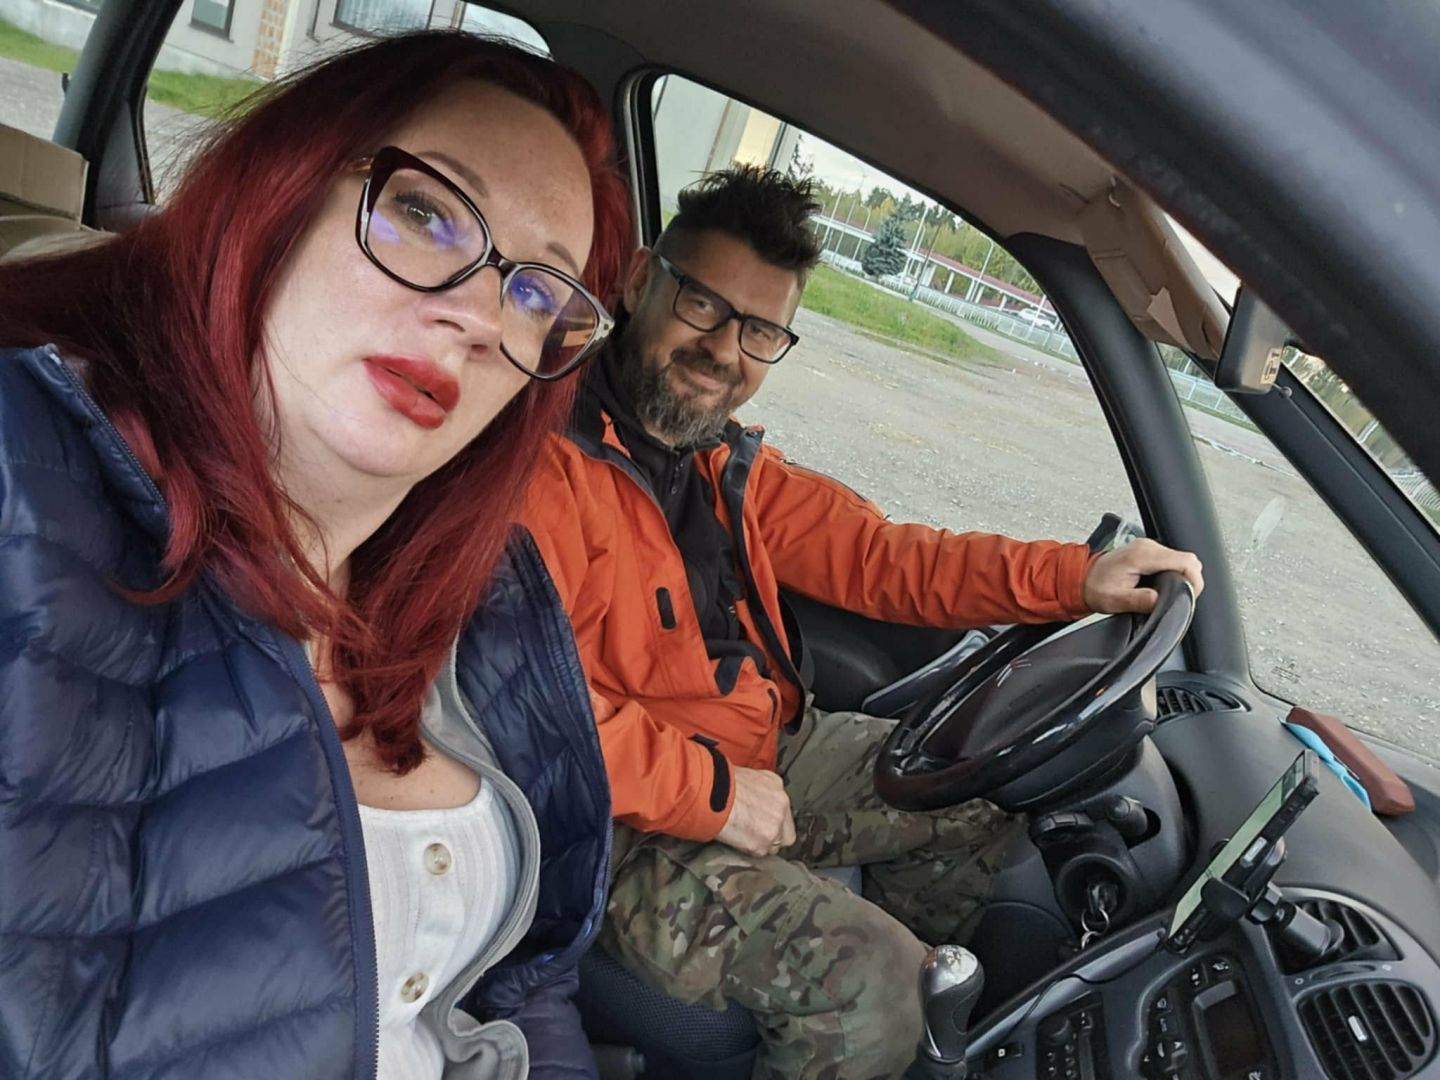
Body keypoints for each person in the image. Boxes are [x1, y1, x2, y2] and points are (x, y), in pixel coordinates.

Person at [0, 31, 631, 1080]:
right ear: (283, 189)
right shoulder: (24, 489)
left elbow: (525, 989)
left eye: (536, 294)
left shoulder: (490, 601)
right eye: (426, 213)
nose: (479, 317)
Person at [520, 166, 1205, 1077]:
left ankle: (866, 1032)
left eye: (760, 331)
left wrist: (1076, 578)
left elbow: (887, 558)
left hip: (763, 752)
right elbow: (529, 715)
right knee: (878, 986)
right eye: (702, 303)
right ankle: (869, 1009)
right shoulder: (540, 473)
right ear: (641, 279)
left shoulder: (717, 459)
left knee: (971, 790)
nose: (723, 350)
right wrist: (714, 794)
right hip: (615, 830)